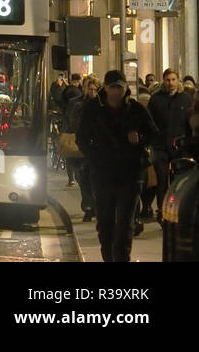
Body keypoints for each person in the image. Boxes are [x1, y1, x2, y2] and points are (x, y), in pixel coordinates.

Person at [75, 68, 158, 263]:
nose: (116, 92)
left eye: (119, 88)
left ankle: (122, 258)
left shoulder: (136, 109)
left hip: (130, 173)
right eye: (112, 87)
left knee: (125, 223)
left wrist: (140, 139)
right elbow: (82, 138)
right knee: (105, 222)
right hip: (103, 173)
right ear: (105, 87)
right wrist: (95, 156)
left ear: (125, 89)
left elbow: (153, 133)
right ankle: (109, 257)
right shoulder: (92, 109)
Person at [146, 68, 189, 221]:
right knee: (162, 180)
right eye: (167, 80)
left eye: (173, 79)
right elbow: (149, 123)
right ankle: (162, 211)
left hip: (180, 147)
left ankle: (178, 209)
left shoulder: (185, 99)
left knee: (179, 180)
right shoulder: (156, 100)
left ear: (178, 80)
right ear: (163, 81)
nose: (170, 83)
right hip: (161, 146)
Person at [64, 75, 97, 222]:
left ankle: (92, 207)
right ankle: (88, 207)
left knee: (93, 179)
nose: (92, 92)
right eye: (89, 89)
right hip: (82, 145)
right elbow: (71, 122)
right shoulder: (77, 104)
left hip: (97, 147)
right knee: (82, 177)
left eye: (94, 89)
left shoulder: (102, 106)